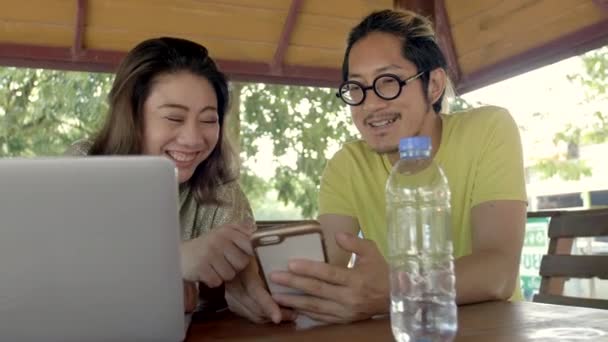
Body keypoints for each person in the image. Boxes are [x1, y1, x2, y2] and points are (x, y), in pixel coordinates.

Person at [268, 9, 527, 323]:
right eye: (357, 88)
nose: (371, 104)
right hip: (402, 330)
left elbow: (497, 273)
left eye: (388, 82)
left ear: (433, 84)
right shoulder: (348, 164)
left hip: (494, 329)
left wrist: (394, 286)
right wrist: (271, 292)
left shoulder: (487, 129)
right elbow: (329, 270)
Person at [65, 37, 293, 324]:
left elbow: (239, 279)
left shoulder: (221, 189)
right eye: (174, 118)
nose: (193, 139)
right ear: (132, 116)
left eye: (209, 120)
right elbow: (63, 276)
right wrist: (173, 262)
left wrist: (244, 280)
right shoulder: (83, 166)